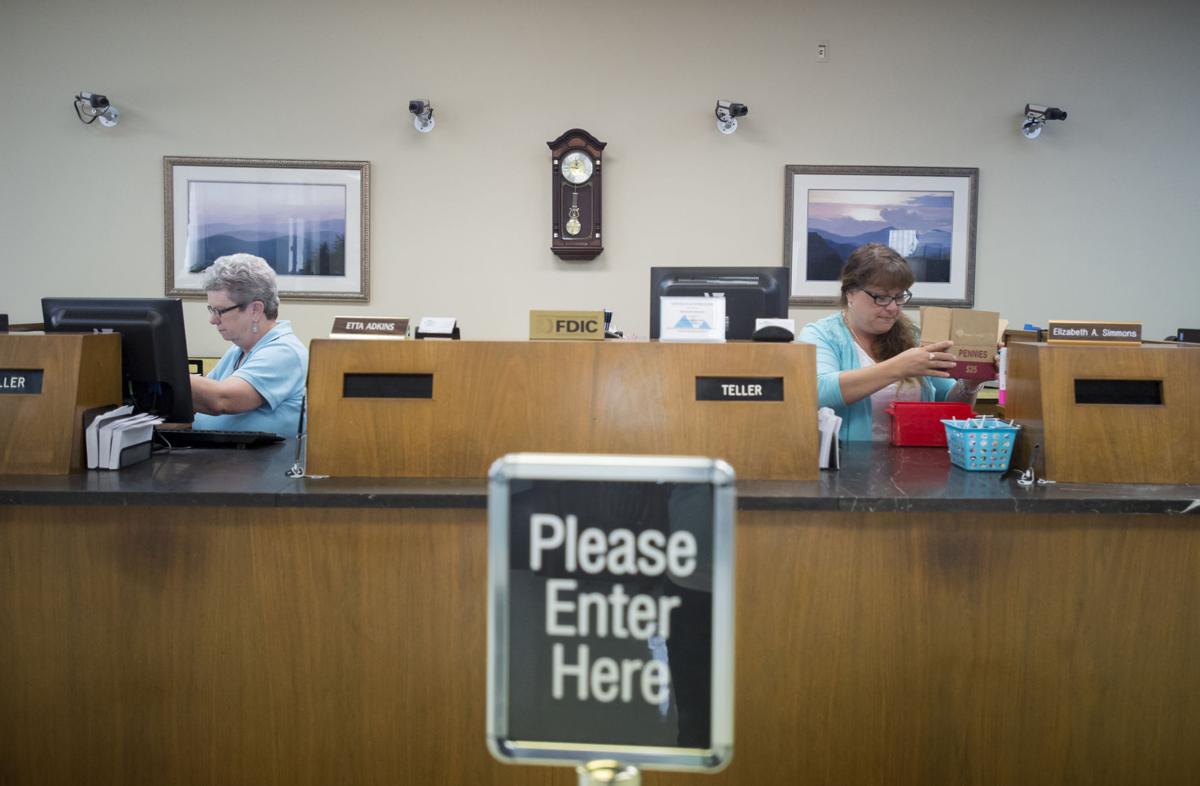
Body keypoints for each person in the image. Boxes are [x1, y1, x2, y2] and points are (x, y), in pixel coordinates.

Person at [798, 243, 981, 441]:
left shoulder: (914, 336)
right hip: (850, 458)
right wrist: (899, 367)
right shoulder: (821, 335)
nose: (893, 307)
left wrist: (969, 383)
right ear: (850, 293)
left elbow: (950, 407)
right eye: (881, 297)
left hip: (915, 457)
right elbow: (818, 391)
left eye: (899, 296)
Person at [190, 254, 308, 436]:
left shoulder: (284, 352)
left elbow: (222, 399)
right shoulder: (239, 350)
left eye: (220, 311)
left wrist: (164, 374)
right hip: (219, 452)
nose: (212, 320)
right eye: (212, 310)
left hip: (259, 456)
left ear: (256, 310)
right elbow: (201, 399)